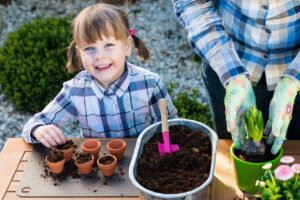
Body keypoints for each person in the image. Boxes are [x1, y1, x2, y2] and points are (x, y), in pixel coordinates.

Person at [22, 3, 178, 149]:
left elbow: (172, 126)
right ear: (79, 52)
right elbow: (35, 123)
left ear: (126, 46)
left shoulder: (149, 83)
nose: (99, 56)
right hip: (99, 165)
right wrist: (39, 130)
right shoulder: (75, 90)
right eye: (89, 48)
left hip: (143, 159)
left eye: (108, 45)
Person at [172, 0, 300, 155]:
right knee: (232, 148)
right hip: (227, 62)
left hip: (294, 63)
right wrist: (232, 75)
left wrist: (294, 79)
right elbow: (192, 3)